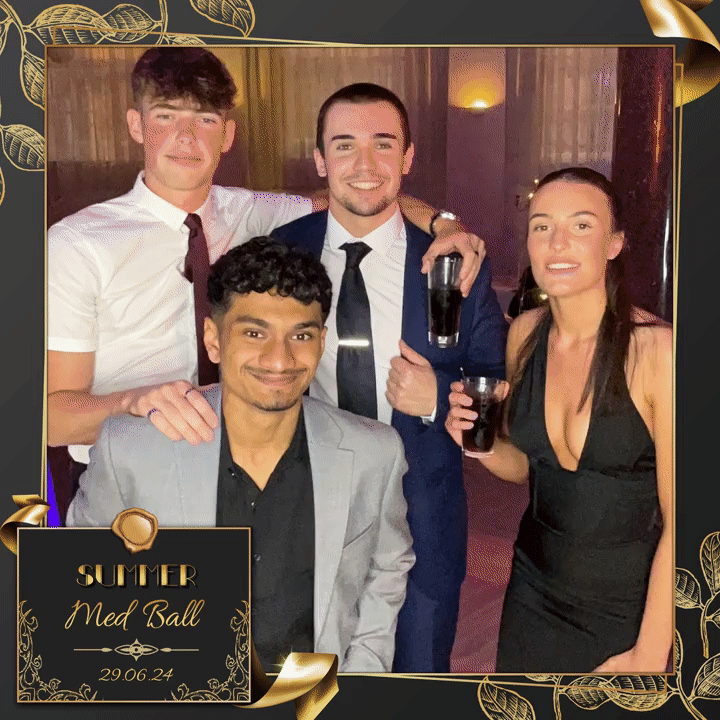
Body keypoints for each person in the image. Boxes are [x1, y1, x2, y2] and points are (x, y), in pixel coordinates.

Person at [47, 47, 484, 522]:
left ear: (227, 134)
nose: (186, 137)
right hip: (132, 477)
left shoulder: (253, 212)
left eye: (206, 120)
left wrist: (445, 224)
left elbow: (361, 195)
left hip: (246, 474)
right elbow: (52, 418)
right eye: (166, 116)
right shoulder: (78, 243)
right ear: (136, 125)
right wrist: (135, 402)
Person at [67, 238, 415, 673]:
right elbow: (79, 577)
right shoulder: (131, 449)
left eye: (301, 335)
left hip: (312, 694)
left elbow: (387, 568)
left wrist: (363, 671)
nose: (279, 360)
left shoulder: (374, 453)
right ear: (213, 340)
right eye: (254, 333)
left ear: (322, 342)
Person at [271, 83, 508, 672]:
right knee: (306, 669)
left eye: (383, 144)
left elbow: (492, 377)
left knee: (417, 670)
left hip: (421, 507)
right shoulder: (281, 252)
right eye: (344, 145)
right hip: (308, 503)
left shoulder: (454, 262)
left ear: (407, 157)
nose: (365, 164)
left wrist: (437, 398)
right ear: (320, 160)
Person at [446, 167, 672, 673]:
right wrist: (478, 442)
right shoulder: (524, 335)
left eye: (581, 225)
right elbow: (528, 467)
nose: (557, 243)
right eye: (542, 226)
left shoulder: (658, 352)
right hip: (533, 588)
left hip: (629, 605)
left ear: (614, 244)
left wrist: (651, 651)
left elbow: (686, 520)